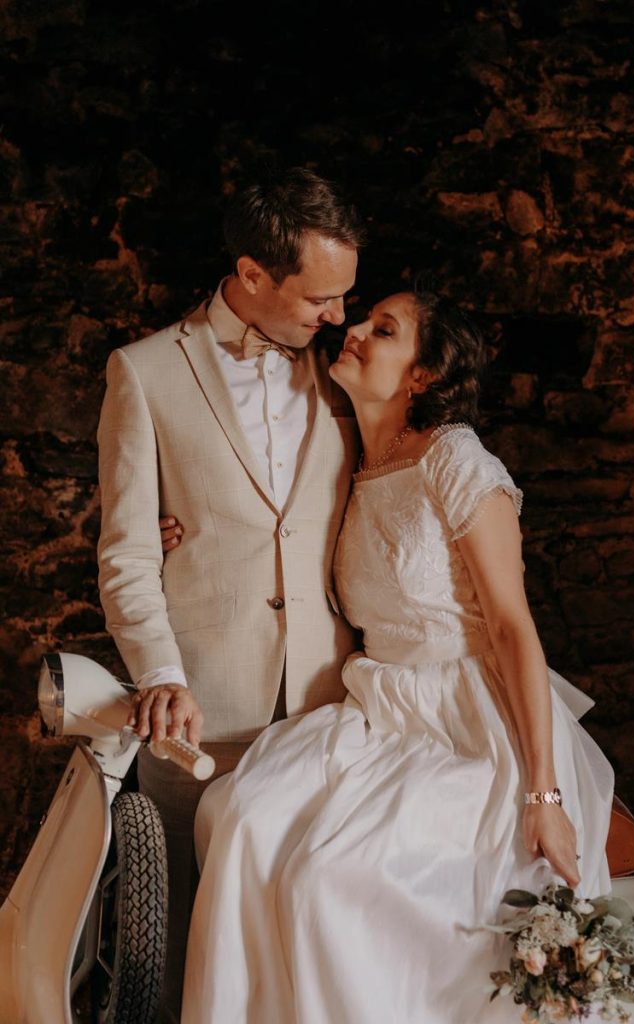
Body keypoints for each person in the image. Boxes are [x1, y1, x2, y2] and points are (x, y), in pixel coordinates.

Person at [178, 284, 615, 1024]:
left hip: (473, 725)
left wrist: (544, 798)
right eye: (362, 319)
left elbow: (511, 627)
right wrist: (177, 529)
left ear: (422, 375)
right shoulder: (345, 455)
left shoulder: (455, 457)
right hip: (379, 709)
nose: (351, 330)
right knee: (237, 815)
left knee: (324, 875)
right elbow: (261, 529)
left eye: (381, 329)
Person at [96, 167, 364, 1021]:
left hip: (332, 704)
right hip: (203, 705)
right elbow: (129, 552)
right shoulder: (142, 373)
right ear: (252, 274)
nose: (339, 317)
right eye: (321, 297)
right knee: (180, 934)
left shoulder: (349, 378)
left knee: (316, 926)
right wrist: (162, 675)